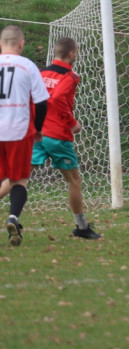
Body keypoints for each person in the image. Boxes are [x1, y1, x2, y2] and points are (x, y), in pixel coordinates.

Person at [0, 37, 100, 239]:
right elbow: (57, 100)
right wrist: (73, 123)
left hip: (35, 134)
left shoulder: (40, 72)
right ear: (71, 54)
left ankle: (14, 217)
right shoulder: (70, 77)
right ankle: (81, 227)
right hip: (57, 136)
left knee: (18, 178)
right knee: (74, 180)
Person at [0, 26, 49, 247]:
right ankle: (13, 217)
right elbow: (41, 102)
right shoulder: (28, 66)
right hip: (18, 130)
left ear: (2, 43)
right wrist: (38, 128)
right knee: (18, 179)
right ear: (21, 44)